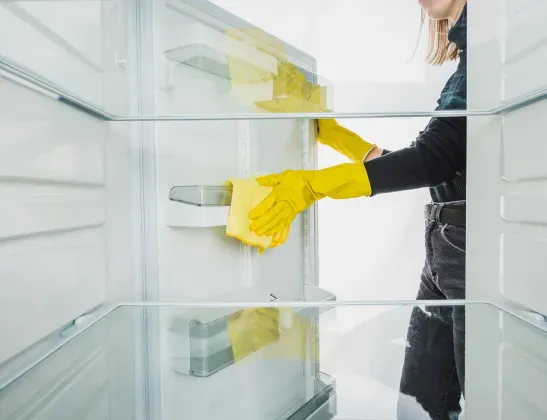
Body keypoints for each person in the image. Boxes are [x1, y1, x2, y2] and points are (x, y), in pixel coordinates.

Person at [246, 1, 468, 419]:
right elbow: (451, 166)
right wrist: (342, 139)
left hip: (469, 255)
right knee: (420, 405)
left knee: (487, 397)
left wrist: (317, 184)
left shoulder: (489, 57)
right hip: (444, 251)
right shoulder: (470, 65)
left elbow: (435, 156)